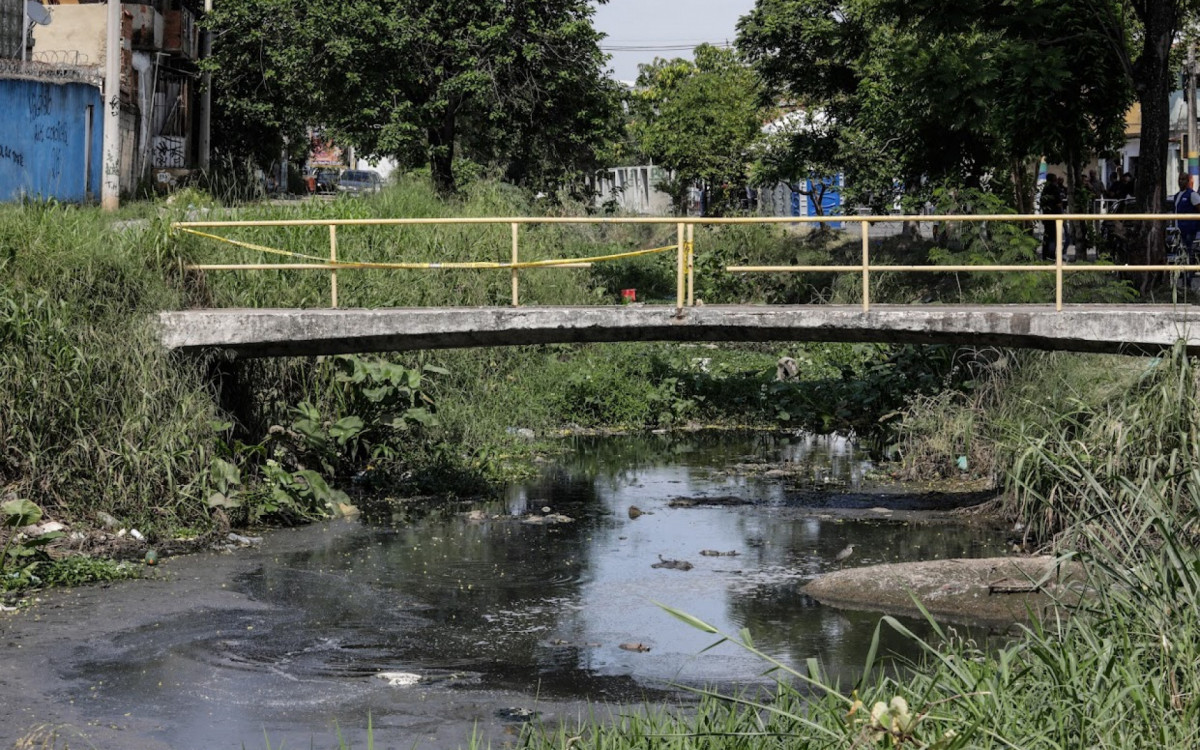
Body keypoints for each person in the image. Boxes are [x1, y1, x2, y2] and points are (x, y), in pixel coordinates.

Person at [1174, 172, 1200, 263]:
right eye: (1179, 179)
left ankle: (1191, 270)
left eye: (1183, 179)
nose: (1180, 181)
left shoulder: (1192, 195)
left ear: (1188, 181)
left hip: (1190, 231)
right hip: (1179, 230)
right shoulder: (1177, 195)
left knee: (1190, 253)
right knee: (1182, 253)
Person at [1040, 173, 1063, 260]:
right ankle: (1051, 255)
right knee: (1053, 236)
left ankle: (1045, 255)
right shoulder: (1055, 189)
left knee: (1046, 235)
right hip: (1055, 215)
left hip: (1046, 215)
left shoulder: (1045, 189)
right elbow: (1059, 202)